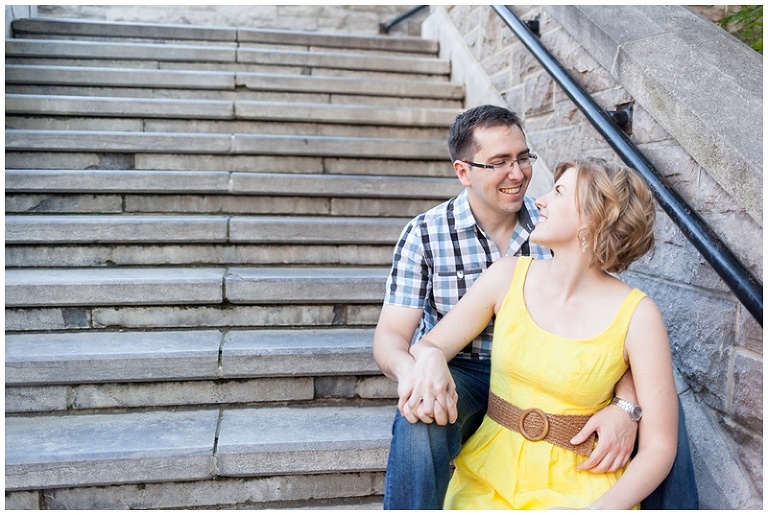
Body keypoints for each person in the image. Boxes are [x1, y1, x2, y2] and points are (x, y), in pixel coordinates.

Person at [373, 105, 643, 510]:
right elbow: (391, 336)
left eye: (522, 157)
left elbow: (612, 320)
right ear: (464, 171)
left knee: (662, 422)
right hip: (461, 371)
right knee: (419, 414)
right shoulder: (426, 234)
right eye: (499, 162)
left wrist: (626, 404)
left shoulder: (558, 222)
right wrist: (418, 371)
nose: (517, 173)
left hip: (550, 374)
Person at [408, 157, 678, 509]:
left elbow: (660, 447)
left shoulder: (639, 315)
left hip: (584, 486)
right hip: (489, 474)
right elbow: (430, 344)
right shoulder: (507, 276)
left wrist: (597, 510)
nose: (540, 201)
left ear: (594, 217)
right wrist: (430, 357)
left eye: (559, 192)